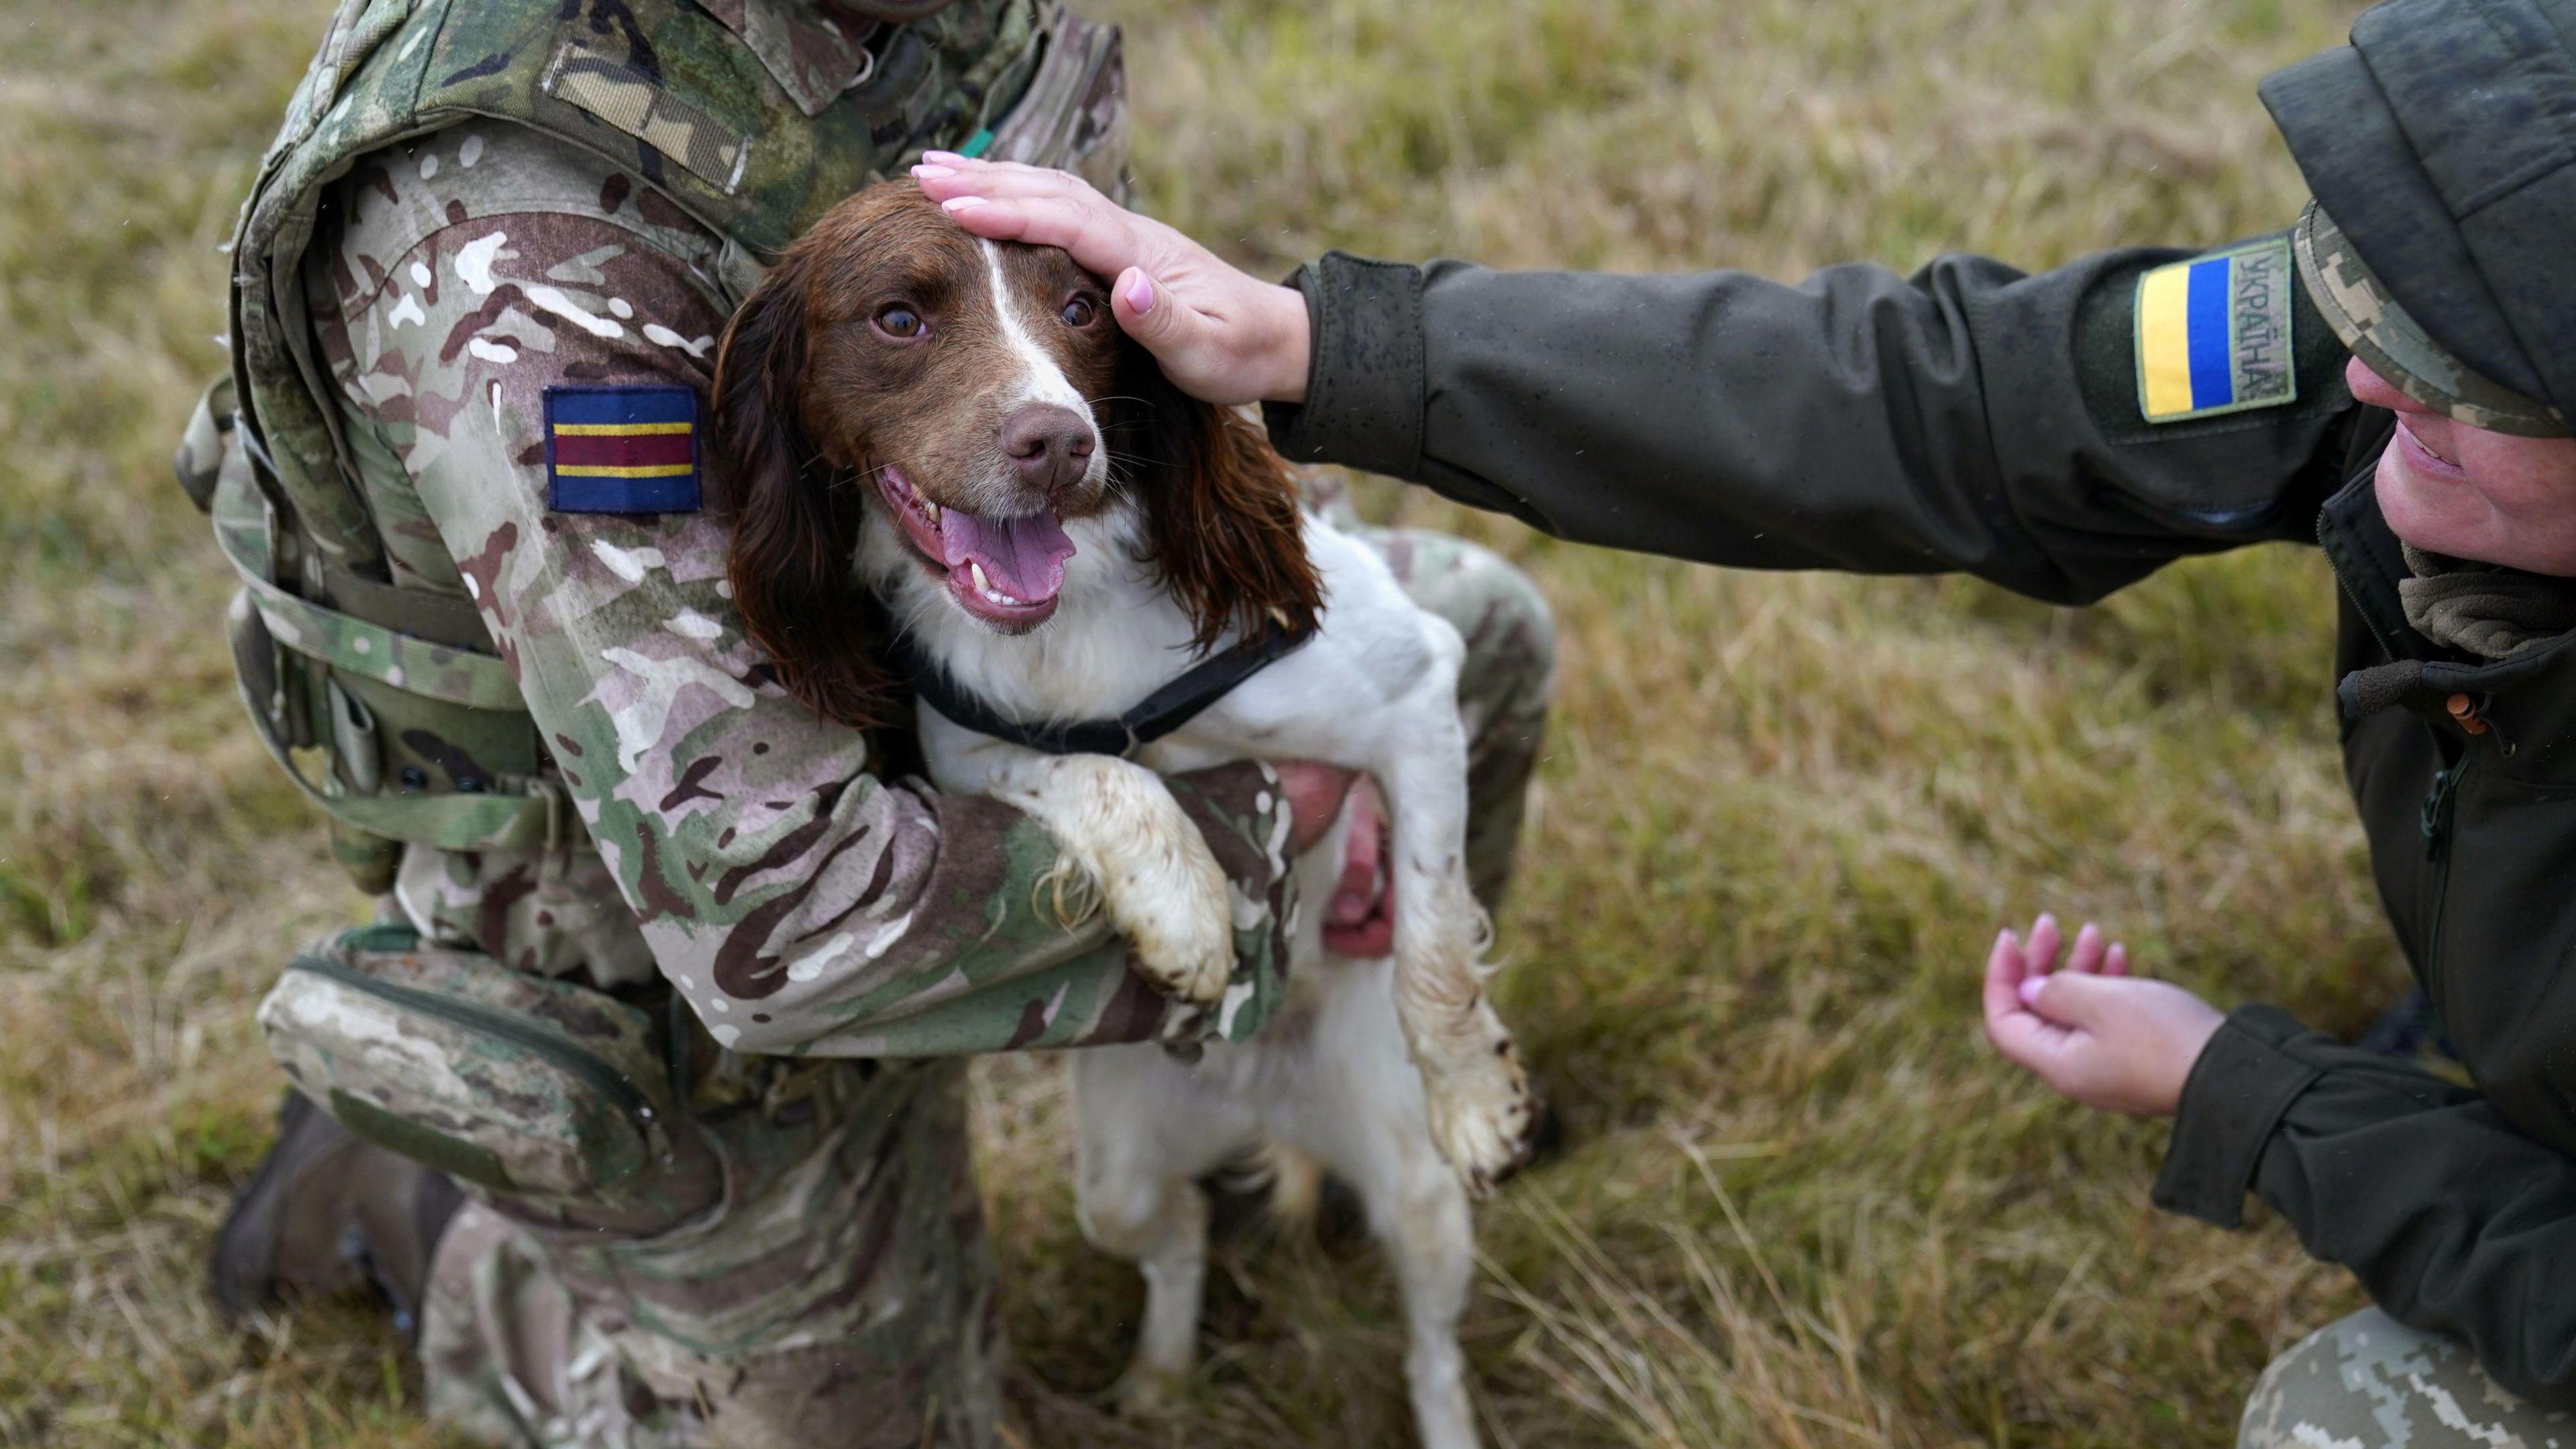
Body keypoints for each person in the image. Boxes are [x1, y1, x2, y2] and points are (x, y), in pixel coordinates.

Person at [909, 0, 2576, 1440]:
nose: (2369, 383)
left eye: (2463, 370)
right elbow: (1945, 399)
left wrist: (2255, 1095)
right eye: (2372, 305)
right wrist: (1320, 344)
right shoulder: (2397, 360)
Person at [189, 2, 1555, 1446]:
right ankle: (468, 1218)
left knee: (1475, 642)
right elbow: (769, 915)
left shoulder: (983, 16)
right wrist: (1277, 826)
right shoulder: (505, 199)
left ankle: (1334, 1141)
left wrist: (1280, 648)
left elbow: (1100, 367)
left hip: (964, 638)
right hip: (672, 865)